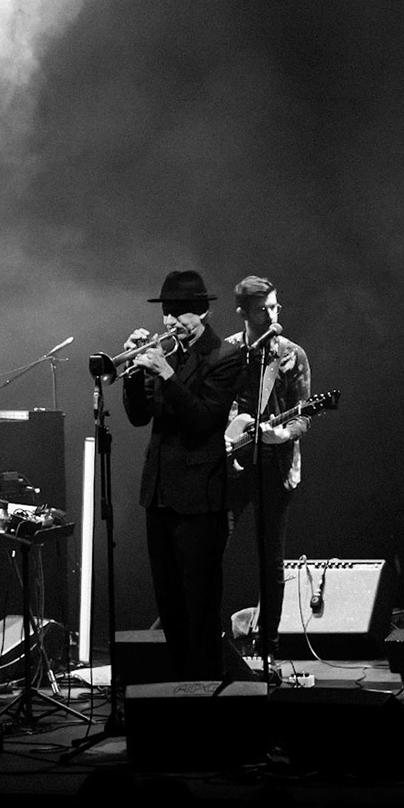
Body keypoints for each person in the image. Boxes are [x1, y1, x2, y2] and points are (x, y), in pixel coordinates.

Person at [117, 269, 245, 679]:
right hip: (159, 495)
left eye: (180, 313)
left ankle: (204, 690)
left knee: (199, 607)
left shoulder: (225, 355)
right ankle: (177, 689)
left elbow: (204, 421)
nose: (171, 321)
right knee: (169, 604)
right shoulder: (167, 353)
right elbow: (139, 417)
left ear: (202, 311)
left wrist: (167, 376)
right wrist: (133, 373)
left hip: (199, 500)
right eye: (167, 313)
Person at [221, 275, 313, 664]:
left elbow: (304, 415)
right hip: (231, 464)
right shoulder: (227, 352)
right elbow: (214, 406)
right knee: (212, 549)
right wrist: (223, 438)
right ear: (243, 312)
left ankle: (269, 648)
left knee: (271, 560)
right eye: (265, 309)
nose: (274, 314)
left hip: (275, 466)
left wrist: (282, 434)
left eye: (276, 306)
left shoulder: (291, 354)